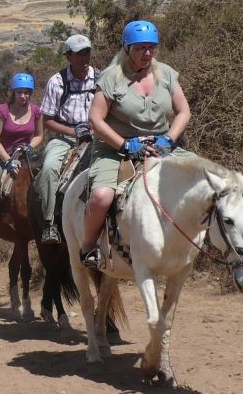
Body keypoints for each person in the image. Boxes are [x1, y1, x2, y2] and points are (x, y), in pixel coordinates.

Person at [79, 20, 190, 267]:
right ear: (127, 48)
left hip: (160, 145)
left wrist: (169, 138)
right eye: (140, 48)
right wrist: (124, 145)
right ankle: (88, 247)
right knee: (101, 196)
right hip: (115, 149)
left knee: (202, 179)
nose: (147, 53)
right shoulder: (111, 77)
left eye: (151, 47)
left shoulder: (167, 74)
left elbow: (183, 111)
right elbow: (95, 120)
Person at [35, 34, 99, 245]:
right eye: (79, 54)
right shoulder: (57, 82)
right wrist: (74, 133)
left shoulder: (100, 78)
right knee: (49, 168)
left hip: (96, 136)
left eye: (87, 52)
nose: (84, 58)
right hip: (65, 137)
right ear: (68, 56)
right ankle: (49, 223)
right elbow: (48, 121)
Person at [0, 72, 44, 244]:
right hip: (2, 157)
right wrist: (7, 160)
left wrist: (30, 146)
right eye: (20, 92)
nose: (23, 96)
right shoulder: (2, 111)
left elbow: (39, 135)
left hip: (26, 157)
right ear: (13, 92)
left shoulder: (36, 111)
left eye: (27, 92)